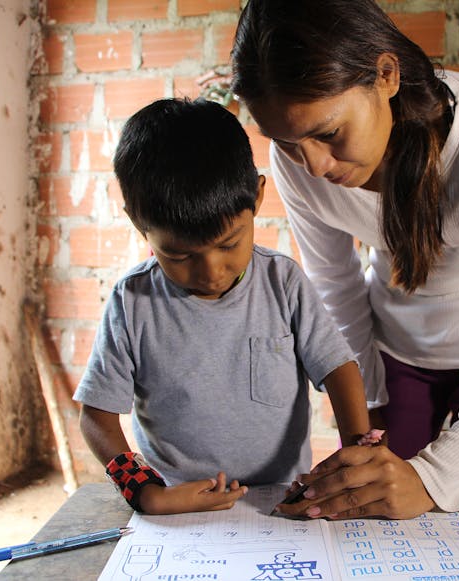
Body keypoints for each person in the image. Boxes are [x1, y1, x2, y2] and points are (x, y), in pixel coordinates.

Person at [230, 0, 459, 519]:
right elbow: (336, 285)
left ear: (386, 75)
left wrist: (434, 475)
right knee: (385, 520)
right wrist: (366, 393)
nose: (314, 166)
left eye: (328, 133)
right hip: (394, 353)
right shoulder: (298, 159)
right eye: (287, 142)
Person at [73, 98, 371, 515]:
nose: (211, 271)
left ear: (258, 196)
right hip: (178, 504)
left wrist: (360, 450)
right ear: (138, 224)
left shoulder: (282, 282)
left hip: (277, 499)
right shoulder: (133, 302)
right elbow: (96, 416)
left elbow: (339, 369)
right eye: (178, 256)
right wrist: (144, 492)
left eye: (229, 243)